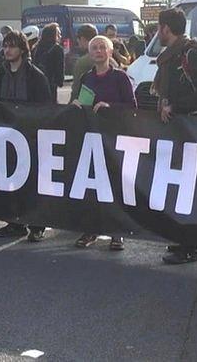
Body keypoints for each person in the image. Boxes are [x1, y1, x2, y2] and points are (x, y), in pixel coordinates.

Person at [153, 8, 197, 265]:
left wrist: (175, 107)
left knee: (185, 187)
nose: (158, 32)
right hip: (181, 128)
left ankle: (187, 244)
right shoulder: (172, 54)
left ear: (166, 28)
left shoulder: (190, 52)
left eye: (159, 27)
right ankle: (192, 240)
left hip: (191, 127)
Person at [71, 35, 135, 251]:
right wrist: (76, 105)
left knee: (115, 186)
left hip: (115, 139)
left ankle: (118, 233)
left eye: (102, 48)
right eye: (94, 48)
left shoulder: (120, 78)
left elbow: (132, 107)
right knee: (93, 187)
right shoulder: (86, 78)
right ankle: (91, 230)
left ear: (109, 52)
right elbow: (80, 101)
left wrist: (111, 107)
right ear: (90, 53)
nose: (98, 51)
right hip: (92, 139)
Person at [0, 30, 52, 242]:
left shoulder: (36, 76)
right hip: (8, 136)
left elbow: (45, 108)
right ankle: (15, 223)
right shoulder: (0, 74)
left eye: (12, 46)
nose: (7, 50)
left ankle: (37, 224)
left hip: (30, 137)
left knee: (33, 182)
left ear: (23, 49)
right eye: (5, 46)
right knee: (11, 181)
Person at [70, 24, 116, 101]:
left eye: (78, 39)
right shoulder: (110, 60)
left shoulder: (82, 62)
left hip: (90, 105)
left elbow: (77, 90)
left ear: (82, 39)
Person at [31, 22, 64, 101]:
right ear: (53, 35)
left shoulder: (36, 48)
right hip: (50, 84)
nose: (60, 36)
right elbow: (59, 69)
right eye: (58, 34)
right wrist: (60, 82)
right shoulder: (57, 49)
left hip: (36, 83)